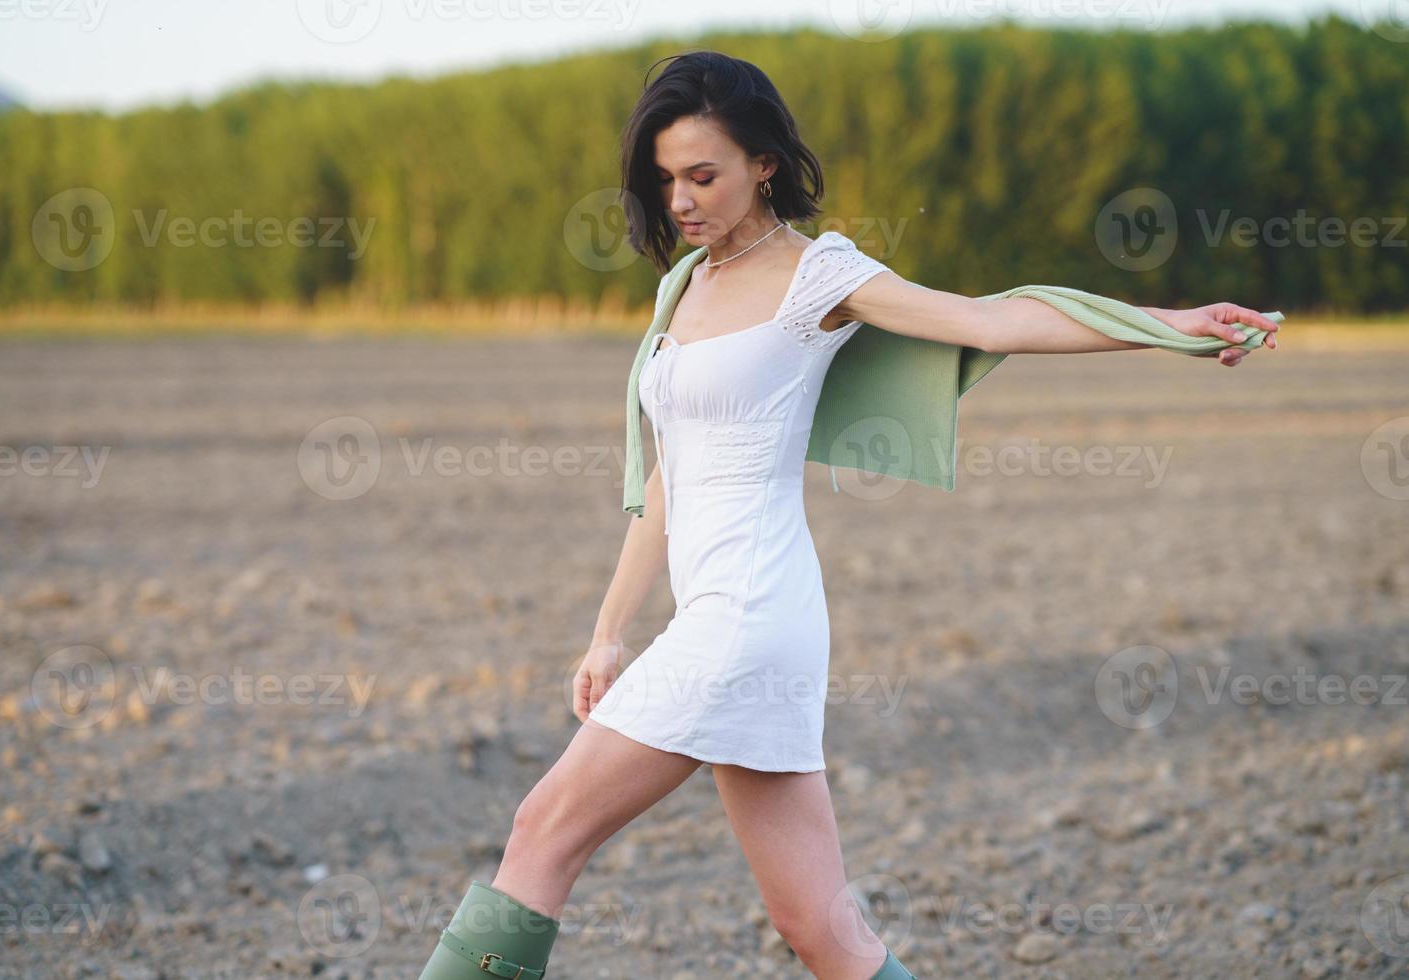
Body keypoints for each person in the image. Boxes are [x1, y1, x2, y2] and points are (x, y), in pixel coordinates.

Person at [416, 50, 1280, 980]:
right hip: (735, 622)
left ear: (764, 165)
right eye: (664, 180)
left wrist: (1168, 325)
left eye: (702, 175)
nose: (681, 200)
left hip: (747, 620)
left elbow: (992, 320)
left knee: (540, 831)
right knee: (822, 931)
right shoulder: (684, 288)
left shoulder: (818, 276)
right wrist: (607, 632)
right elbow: (673, 473)